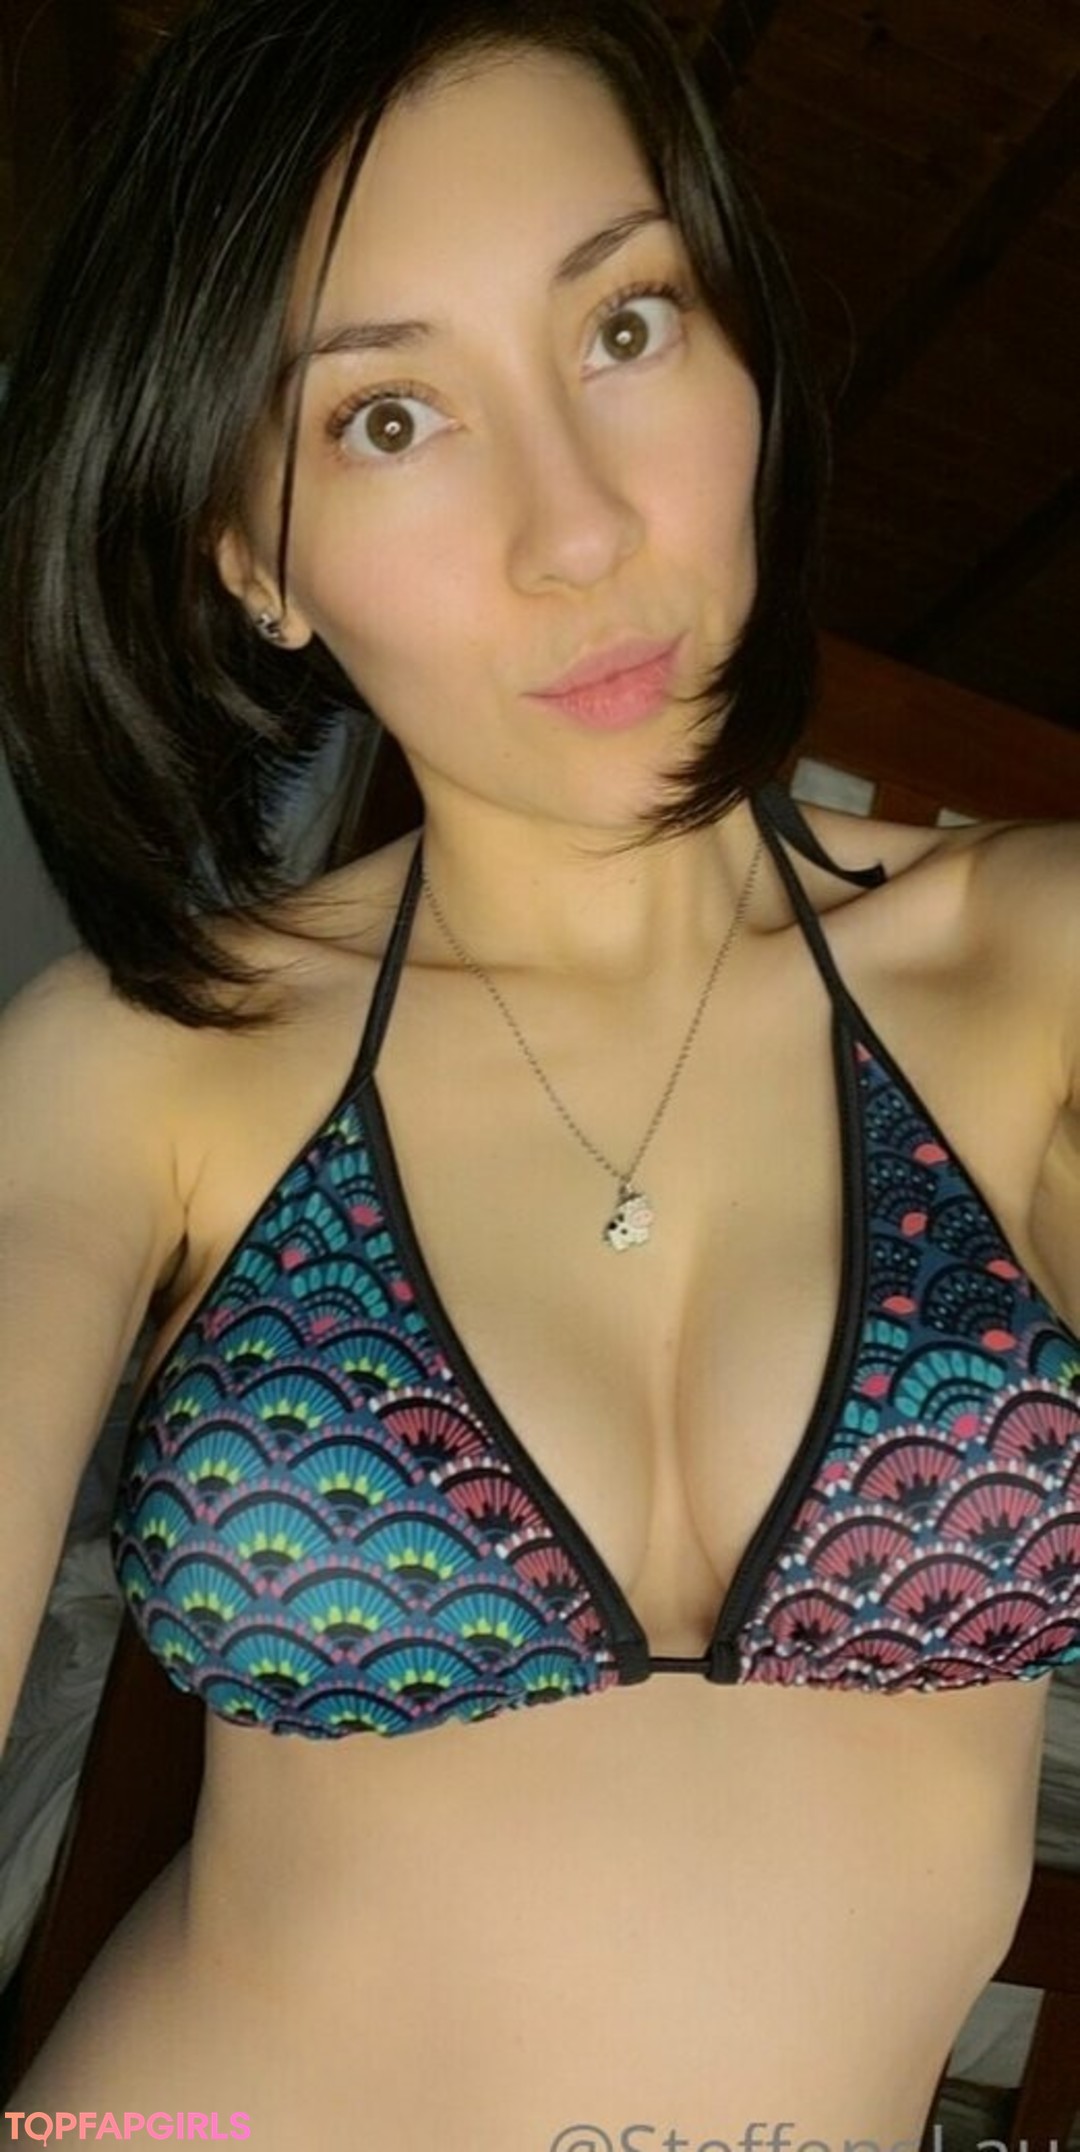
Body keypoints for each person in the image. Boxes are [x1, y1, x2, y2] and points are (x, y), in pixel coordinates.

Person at [0, 0, 1077, 2143]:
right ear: (251, 557)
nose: (576, 530)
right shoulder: (146, 1064)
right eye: (389, 417)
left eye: (625, 325)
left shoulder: (1034, 961)